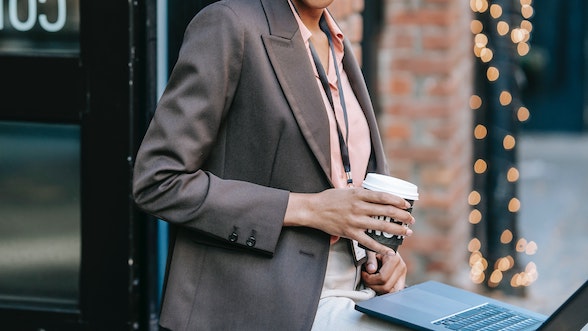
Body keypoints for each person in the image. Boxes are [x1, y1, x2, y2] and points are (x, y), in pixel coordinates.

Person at [132, 0, 415, 330]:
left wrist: (382, 257)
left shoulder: (334, 39)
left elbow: (340, 182)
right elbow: (158, 181)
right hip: (261, 302)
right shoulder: (229, 24)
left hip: (353, 289)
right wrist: (308, 209)